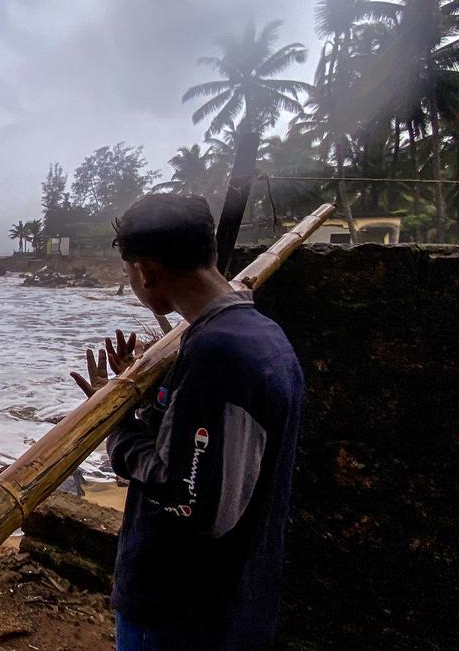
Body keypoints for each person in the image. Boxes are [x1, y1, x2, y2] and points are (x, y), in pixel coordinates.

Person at [70, 194, 304, 650]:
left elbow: (191, 498)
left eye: (128, 273)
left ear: (148, 272)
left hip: (182, 611)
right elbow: (209, 448)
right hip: (234, 599)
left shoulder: (219, 353)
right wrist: (145, 402)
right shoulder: (261, 335)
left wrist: (113, 424)